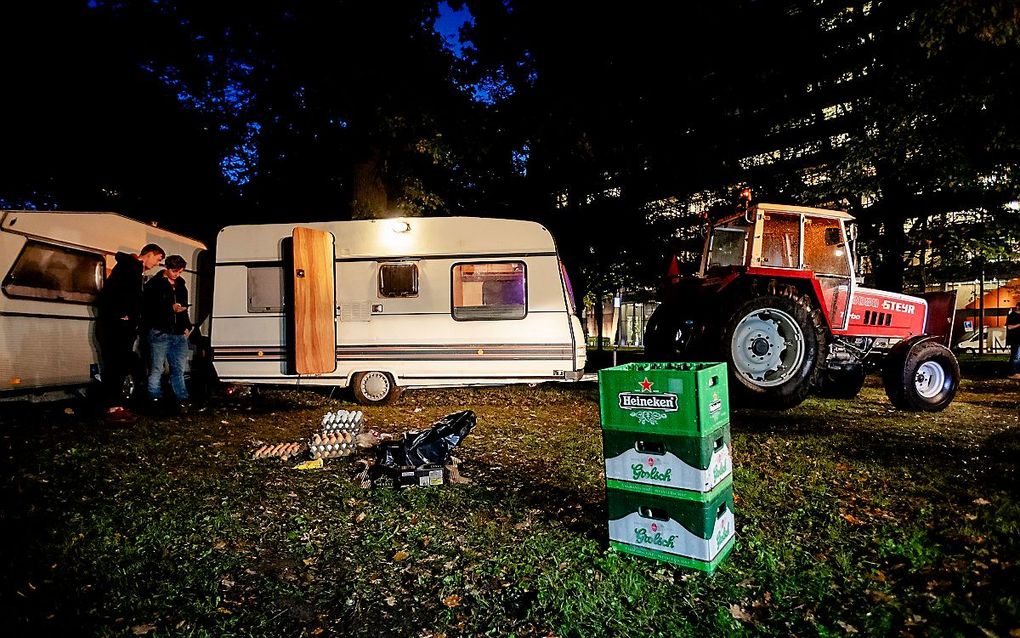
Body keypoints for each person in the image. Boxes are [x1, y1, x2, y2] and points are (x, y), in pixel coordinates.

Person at [96, 243, 166, 422]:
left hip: (122, 328)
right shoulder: (130, 268)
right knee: (115, 366)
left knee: (120, 366)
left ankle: (116, 404)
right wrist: (120, 315)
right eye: (158, 259)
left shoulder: (134, 270)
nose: (157, 264)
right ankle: (113, 406)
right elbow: (110, 295)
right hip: (115, 328)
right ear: (149, 254)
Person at [142, 254, 193, 413]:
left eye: (179, 271)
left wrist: (187, 326)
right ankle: (154, 397)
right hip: (160, 332)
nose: (176, 274)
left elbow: (184, 309)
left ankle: (182, 398)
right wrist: (169, 309)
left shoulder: (181, 285)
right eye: (174, 270)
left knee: (178, 368)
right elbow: (148, 309)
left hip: (178, 333)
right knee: (157, 368)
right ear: (167, 268)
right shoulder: (154, 285)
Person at [1006, 301, 1020, 379]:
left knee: (1016, 356)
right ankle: (1015, 372)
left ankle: (1015, 372)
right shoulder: (1012, 316)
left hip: (1018, 339)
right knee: (1015, 356)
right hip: (1015, 339)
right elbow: (1009, 327)